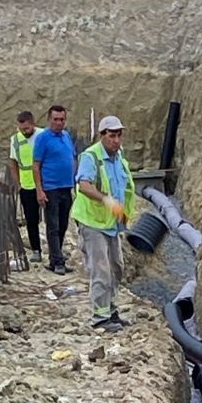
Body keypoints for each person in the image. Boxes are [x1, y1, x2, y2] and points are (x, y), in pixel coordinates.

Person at [72, 114, 135, 329]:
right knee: (101, 269)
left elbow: (123, 187)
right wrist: (106, 200)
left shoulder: (119, 157)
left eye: (118, 135)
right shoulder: (91, 157)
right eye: (111, 135)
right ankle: (100, 318)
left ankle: (111, 309)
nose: (116, 140)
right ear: (102, 136)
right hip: (92, 222)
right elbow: (84, 185)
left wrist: (124, 213)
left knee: (117, 267)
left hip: (111, 223)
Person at [32, 103, 78, 273]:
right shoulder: (43, 138)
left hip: (66, 187)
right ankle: (57, 261)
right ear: (49, 119)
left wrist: (74, 179)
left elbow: (72, 157)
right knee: (53, 226)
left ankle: (56, 258)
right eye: (55, 119)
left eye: (62, 119)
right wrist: (39, 189)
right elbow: (36, 165)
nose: (59, 122)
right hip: (51, 188)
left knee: (63, 224)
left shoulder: (66, 136)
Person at [8, 110, 42, 262]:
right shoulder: (15, 140)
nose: (24, 132)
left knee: (53, 220)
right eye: (22, 129)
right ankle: (36, 250)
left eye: (27, 128)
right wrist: (18, 185)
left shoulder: (43, 135)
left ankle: (56, 251)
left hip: (45, 183)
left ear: (33, 123)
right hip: (27, 186)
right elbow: (13, 163)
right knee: (31, 219)